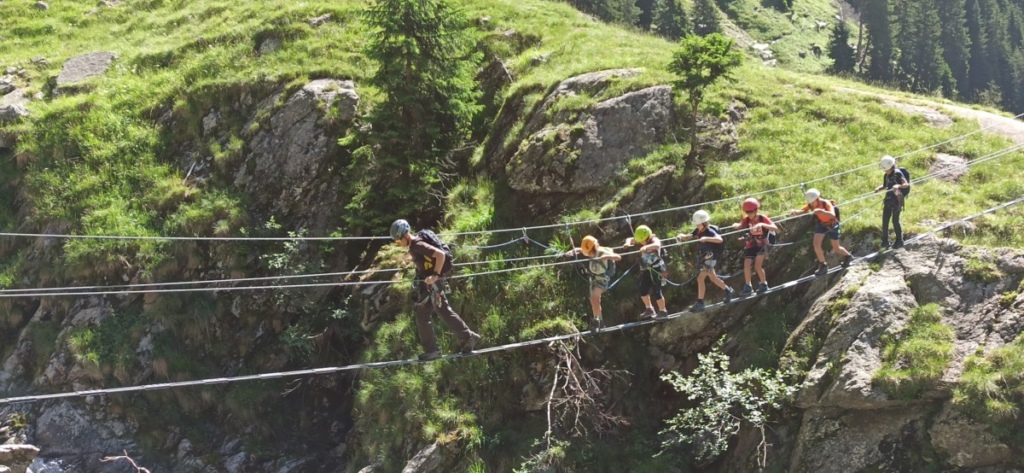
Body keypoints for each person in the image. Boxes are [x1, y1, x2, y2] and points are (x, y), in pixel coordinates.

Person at [391, 219, 482, 361]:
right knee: (422, 315)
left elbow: (440, 255)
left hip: (434, 283)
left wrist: (436, 275)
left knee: (442, 310)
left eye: (398, 241)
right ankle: (432, 350)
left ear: (405, 236)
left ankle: (469, 337)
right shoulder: (415, 246)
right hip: (428, 284)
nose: (398, 244)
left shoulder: (417, 245)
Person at [677, 210, 734, 312]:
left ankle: (700, 303)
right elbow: (688, 237)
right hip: (706, 258)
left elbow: (719, 239)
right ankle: (728, 291)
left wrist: (706, 238)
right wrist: (681, 236)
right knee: (713, 278)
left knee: (700, 279)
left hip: (711, 258)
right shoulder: (698, 231)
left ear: (704, 223)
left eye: (698, 224)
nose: (697, 226)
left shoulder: (710, 232)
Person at [789, 188, 854, 275]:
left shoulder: (826, 203)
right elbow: (804, 211)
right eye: (810, 203)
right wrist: (796, 212)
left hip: (832, 225)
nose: (811, 204)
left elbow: (832, 215)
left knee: (836, 248)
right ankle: (823, 265)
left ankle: (848, 256)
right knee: (816, 244)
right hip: (821, 225)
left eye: (813, 202)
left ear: (817, 199)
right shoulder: (811, 205)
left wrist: (821, 211)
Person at [565, 235, 622, 332]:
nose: (589, 254)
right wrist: (573, 251)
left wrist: (607, 256)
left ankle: (597, 321)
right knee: (594, 301)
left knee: (594, 298)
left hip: (604, 280)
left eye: (590, 252)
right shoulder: (590, 252)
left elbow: (618, 257)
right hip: (595, 280)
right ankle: (600, 321)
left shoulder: (603, 252)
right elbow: (581, 250)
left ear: (594, 248)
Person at [731, 198, 777, 295]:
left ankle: (764, 284)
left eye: (751, 212)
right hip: (752, 243)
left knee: (757, 265)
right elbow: (741, 225)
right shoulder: (747, 219)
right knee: (746, 264)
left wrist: (762, 224)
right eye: (747, 212)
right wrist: (737, 225)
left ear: (756, 210)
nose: (749, 214)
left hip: (762, 243)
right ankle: (748, 286)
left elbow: (774, 227)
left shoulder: (762, 218)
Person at [623, 225, 668, 319]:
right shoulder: (641, 239)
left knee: (657, 291)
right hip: (647, 269)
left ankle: (663, 311)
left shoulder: (654, 240)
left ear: (647, 237)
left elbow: (657, 245)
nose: (641, 243)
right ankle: (649, 309)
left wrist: (646, 247)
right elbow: (630, 239)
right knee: (643, 290)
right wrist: (627, 243)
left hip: (658, 269)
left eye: (642, 241)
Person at [875, 155, 909, 249]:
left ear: (891, 166)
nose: (885, 171)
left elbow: (906, 184)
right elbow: (886, 185)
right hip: (888, 200)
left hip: (897, 200)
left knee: (895, 221)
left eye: (886, 169)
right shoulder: (886, 175)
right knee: (885, 221)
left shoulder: (898, 173)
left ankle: (899, 240)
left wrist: (898, 186)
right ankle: (885, 241)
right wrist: (879, 188)